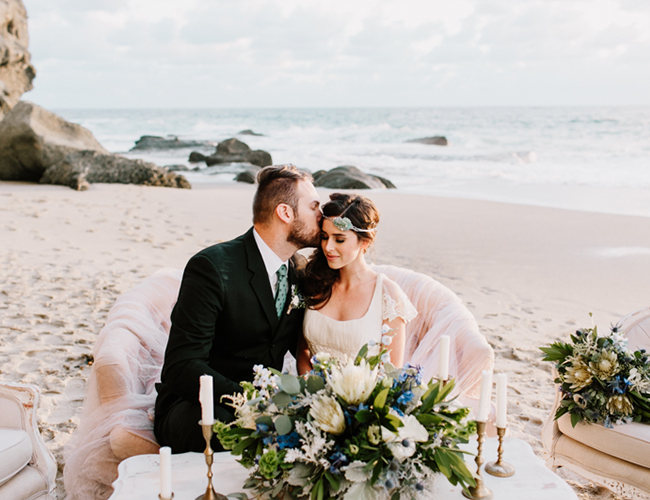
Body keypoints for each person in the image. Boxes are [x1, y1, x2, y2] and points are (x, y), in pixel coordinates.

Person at [154, 164, 321, 453]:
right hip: (199, 405)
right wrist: (251, 400)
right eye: (314, 206)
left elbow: (306, 346)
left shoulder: (299, 270)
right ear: (285, 213)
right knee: (227, 431)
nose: (322, 214)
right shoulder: (213, 268)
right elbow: (181, 366)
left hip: (270, 405)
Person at [296, 193, 417, 374]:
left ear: (365, 241)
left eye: (339, 239)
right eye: (324, 236)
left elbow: (391, 374)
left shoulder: (387, 295)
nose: (328, 247)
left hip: (364, 401)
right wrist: (310, 394)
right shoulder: (315, 282)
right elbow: (302, 352)